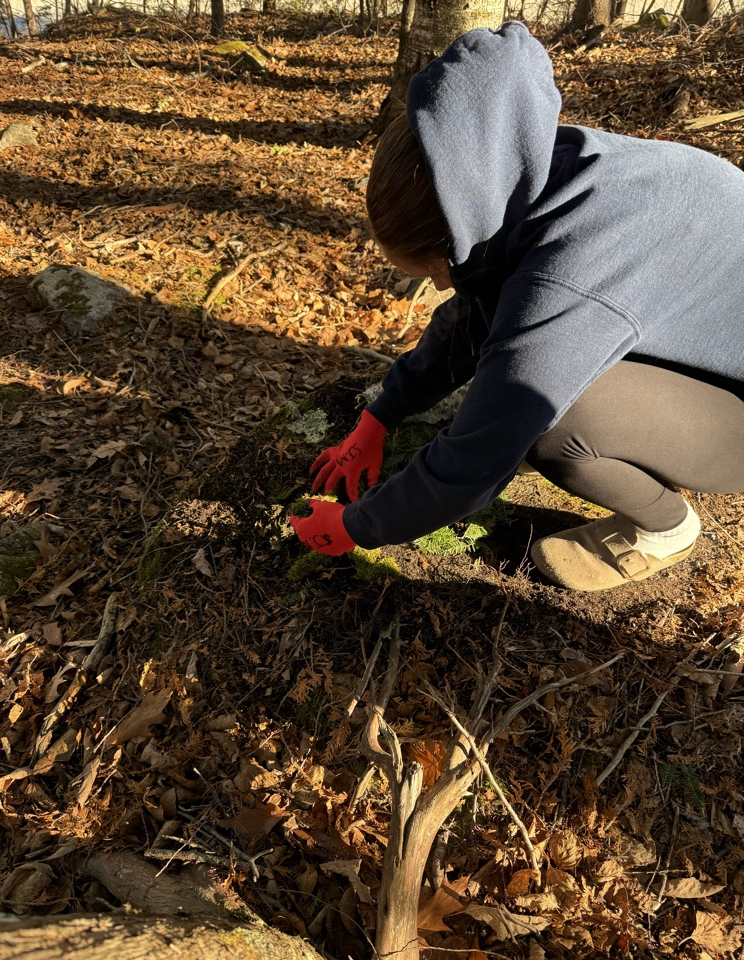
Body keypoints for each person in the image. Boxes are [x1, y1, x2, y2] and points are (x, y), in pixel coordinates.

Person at [291, 21, 744, 592]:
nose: (435, 288)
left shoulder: (576, 267)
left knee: (556, 428)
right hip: (710, 345)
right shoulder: (531, 165)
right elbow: (479, 304)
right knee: (528, 376)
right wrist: (381, 415)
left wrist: (359, 524)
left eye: (434, 271)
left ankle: (665, 529)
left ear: (462, 229)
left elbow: (477, 460)